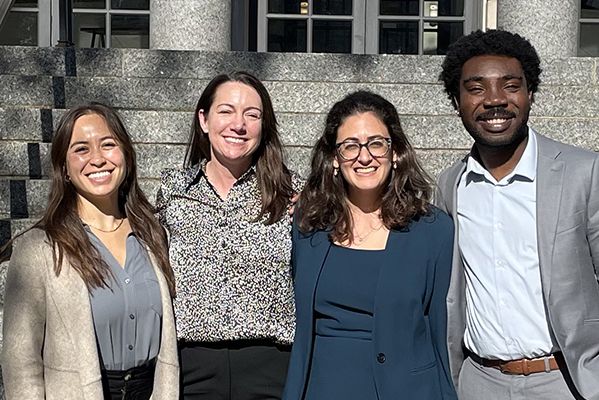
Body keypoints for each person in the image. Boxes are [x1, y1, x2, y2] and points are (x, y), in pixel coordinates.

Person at [436, 29, 599, 400]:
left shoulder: (584, 173)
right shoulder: (450, 186)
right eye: (476, 88)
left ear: (530, 94)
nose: (495, 100)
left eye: (510, 86)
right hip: (479, 382)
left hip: (567, 381)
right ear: (456, 100)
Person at [283, 91, 457, 400]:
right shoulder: (309, 227)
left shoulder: (433, 231)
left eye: (376, 143)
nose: (365, 157)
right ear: (334, 159)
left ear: (394, 153)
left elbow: (440, 332)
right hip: (322, 390)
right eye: (350, 146)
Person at [0, 103, 179, 400]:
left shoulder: (154, 234)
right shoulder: (38, 248)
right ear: (65, 168)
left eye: (108, 145)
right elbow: (21, 362)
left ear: (126, 156)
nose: (97, 159)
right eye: (81, 149)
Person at [156, 71, 302, 400]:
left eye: (252, 114)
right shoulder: (172, 192)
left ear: (264, 127)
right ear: (204, 120)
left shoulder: (292, 193)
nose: (239, 124)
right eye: (226, 111)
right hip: (191, 367)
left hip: (272, 367)